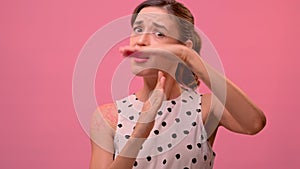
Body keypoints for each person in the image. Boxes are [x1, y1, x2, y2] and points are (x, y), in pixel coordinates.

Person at [89, 0, 266, 169]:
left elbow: (254, 123)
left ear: (183, 47)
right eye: (138, 29)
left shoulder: (205, 108)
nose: (141, 40)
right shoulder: (108, 117)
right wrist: (140, 131)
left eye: (159, 33)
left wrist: (189, 57)